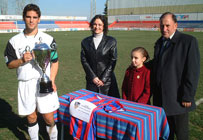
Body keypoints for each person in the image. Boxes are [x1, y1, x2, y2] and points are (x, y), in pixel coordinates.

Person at [4, 4, 59, 140]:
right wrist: (22, 60)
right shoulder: (14, 41)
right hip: (26, 84)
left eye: (34, 17)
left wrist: (52, 79)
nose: (31, 20)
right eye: (28, 17)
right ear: (23, 18)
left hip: (44, 82)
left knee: (48, 117)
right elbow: (9, 64)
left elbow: (55, 61)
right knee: (31, 116)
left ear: (39, 19)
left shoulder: (49, 39)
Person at [152, 12, 200, 140]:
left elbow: (193, 71)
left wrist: (188, 96)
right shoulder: (160, 42)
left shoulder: (188, 41)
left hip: (178, 100)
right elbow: (158, 63)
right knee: (165, 134)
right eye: (162, 26)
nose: (164, 29)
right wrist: (140, 64)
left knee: (181, 135)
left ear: (175, 25)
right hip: (161, 99)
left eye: (167, 25)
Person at [81, 14, 120, 98]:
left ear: (104, 26)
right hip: (92, 82)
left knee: (110, 106)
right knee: (92, 105)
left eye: (99, 25)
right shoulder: (85, 42)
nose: (97, 27)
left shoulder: (111, 41)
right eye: (95, 24)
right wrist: (93, 77)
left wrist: (103, 79)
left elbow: (113, 60)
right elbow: (84, 61)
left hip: (107, 82)